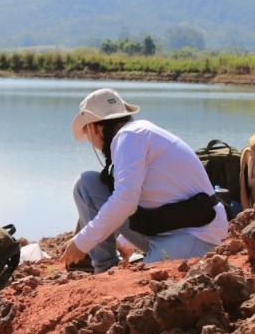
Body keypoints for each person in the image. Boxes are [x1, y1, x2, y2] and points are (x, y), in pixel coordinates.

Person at [62, 88, 228, 272]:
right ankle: (105, 269)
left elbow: (125, 200)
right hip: (166, 229)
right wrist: (122, 240)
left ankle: (113, 275)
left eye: (87, 133)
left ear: (95, 128)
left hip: (194, 235)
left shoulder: (130, 136)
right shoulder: (134, 135)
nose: (91, 141)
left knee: (143, 282)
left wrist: (81, 242)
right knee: (87, 184)